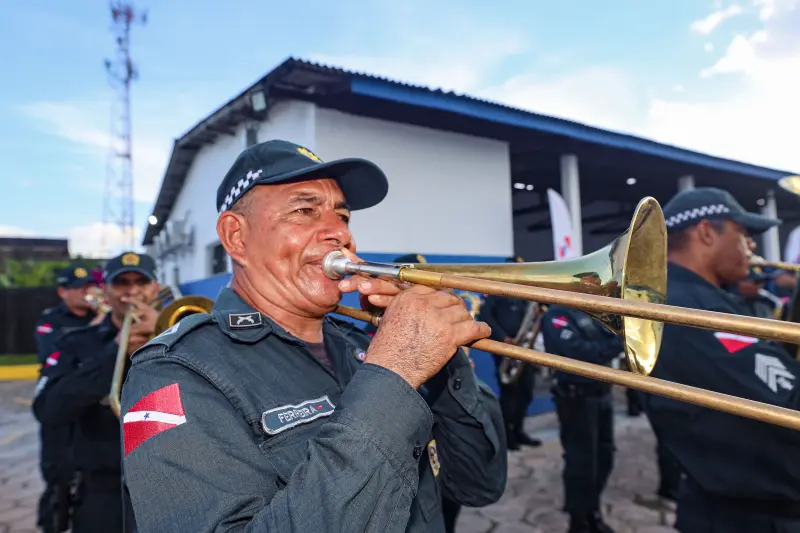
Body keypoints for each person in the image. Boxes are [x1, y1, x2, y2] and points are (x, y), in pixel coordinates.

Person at [119, 140, 508, 533]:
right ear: (236, 236)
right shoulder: (173, 371)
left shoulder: (364, 345)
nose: (340, 233)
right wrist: (395, 372)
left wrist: (442, 353)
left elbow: (478, 486)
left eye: (343, 216)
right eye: (304, 211)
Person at [642, 187, 800, 533]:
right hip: (748, 518)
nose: (752, 245)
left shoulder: (700, 299)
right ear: (706, 232)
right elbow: (791, 401)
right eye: (743, 233)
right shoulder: (694, 309)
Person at [32, 252, 161, 533]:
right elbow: (48, 408)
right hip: (102, 493)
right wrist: (115, 351)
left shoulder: (180, 338)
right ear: (105, 290)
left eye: (141, 282)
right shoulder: (75, 344)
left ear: (155, 288)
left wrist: (166, 338)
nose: (132, 291)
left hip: (168, 487)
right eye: (121, 282)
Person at [541, 305, 622, 533]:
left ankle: (592, 511)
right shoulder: (556, 315)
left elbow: (605, 342)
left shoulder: (592, 313)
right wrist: (618, 344)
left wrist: (612, 343)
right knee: (581, 464)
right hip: (576, 399)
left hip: (602, 395)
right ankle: (578, 521)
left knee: (604, 458)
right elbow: (580, 353)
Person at [33, 264, 98, 533]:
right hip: (60, 402)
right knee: (57, 476)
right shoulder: (50, 320)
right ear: (63, 292)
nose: (86, 292)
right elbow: (54, 352)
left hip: (89, 407)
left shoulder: (101, 316)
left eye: (88, 286)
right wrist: (96, 329)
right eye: (78, 288)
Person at [477, 258, 542, 450]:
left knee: (526, 391)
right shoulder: (494, 291)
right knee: (509, 395)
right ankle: (507, 436)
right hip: (504, 350)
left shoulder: (523, 293)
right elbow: (485, 316)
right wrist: (503, 337)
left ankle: (519, 430)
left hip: (524, 349)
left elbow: (530, 318)